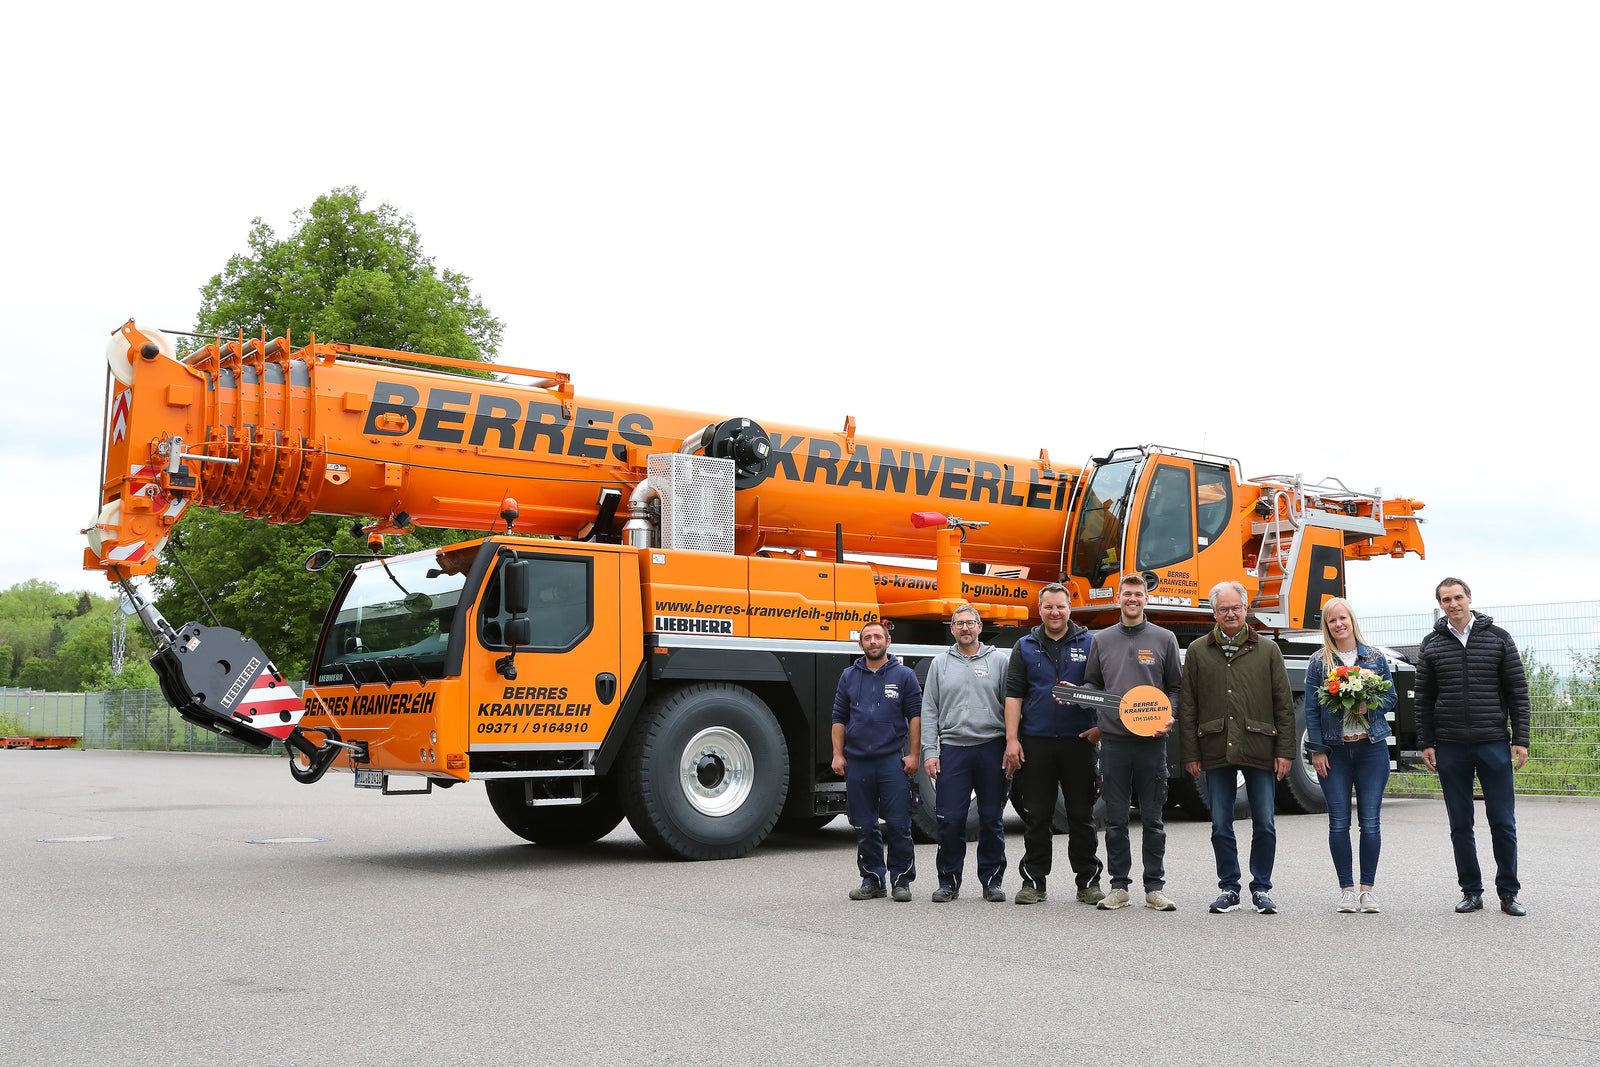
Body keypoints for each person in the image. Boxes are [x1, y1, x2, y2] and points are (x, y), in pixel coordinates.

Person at [1415, 578, 1531, 916]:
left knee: (1503, 822)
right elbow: (1423, 700)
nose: (1453, 604)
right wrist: (1426, 743)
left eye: (1458, 597)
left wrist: (1520, 739)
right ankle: (1471, 891)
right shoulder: (1432, 644)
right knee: (1460, 824)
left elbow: (1517, 692)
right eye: (1446, 600)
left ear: (1470, 598)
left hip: (1493, 742)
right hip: (1450, 746)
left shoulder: (1499, 638)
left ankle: (1509, 892)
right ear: (1440, 604)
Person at [1178, 580, 1294, 914]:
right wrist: (1190, 753)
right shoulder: (1199, 650)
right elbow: (1188, 706)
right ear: (1214, 612)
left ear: (1246, 609)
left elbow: (1283, 705)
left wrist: (1285, 751)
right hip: (1214, 747)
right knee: (1220, 823)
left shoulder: (1268, 650)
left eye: (1236, 608)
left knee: (1265, 822)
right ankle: (1229, 887)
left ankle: (1261, 888)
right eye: (1223, 609)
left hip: (1260, 746)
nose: (1230, 613)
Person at [1083, 573, 1182, 912]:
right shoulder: (1102, 640)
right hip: (1114, 743)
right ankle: (1119, 887)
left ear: (1146, 598)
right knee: (1115, 819)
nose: (1133, 599)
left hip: (1152, 743)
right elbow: (1092, 685)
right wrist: (1107, 706)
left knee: (1153, 819)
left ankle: (1154, 887)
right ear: (1119, 598)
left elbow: (1176, 689)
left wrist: (1170, 715)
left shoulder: (1164, 638)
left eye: (1138, 594)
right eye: (1127, 594)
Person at [1003, 582, 1103, 905]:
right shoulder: (1025, 645)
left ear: (1070, 607)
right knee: (1037, 815)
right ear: (1040, 609)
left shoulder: (1090, 643)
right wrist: (1012, 740)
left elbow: (1104, 689)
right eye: (1048, 607)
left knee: (1081, 815)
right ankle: (1033, 882)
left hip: (1079, 742)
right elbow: (1014, 695)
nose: (1055, 612)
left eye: (1060, 606)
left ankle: (1088, 882)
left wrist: (1099, 724)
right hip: (1037, 744)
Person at [1303, 597, 1396, 913]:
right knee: (1338, 823)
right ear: (1327, 627)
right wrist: (1316, 749)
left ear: (1352, 620)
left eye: (1342, 618)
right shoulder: (1319, 662)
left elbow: (1392, 696)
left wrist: (1369, 705)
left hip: (1371, 749)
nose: (1338, 624)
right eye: (1332, 621)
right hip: (1335, 753)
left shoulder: (1374, 657)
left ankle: (1367, 890)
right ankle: (1346, 890)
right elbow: (1311, 709)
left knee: (1370, 822)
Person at [922, 604, 1010, 903]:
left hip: (991, 748)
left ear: (980, 627)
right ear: (952, 629)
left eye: (970, 623)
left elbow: (1011, 708)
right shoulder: (939, 664)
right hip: (953, 751)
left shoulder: (999, 661)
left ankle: (992, 881)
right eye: (959, 624)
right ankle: (948, 881)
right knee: (950, 820)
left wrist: (1012, 744)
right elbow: (929, 709)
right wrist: (930, 751)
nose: (965, 628)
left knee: (991, 818)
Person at [831, 620, 922, 902]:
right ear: (860, 645)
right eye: (867, 638)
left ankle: (901, 881)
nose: (873, 641)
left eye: (877, 637)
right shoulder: (848, 676)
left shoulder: (904, 675)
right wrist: (837, 754)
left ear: (887, 642)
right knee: (864, 824)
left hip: (891, 762)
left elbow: (915, 716)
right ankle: (872, 879)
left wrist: (915, 754)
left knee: (898, 824)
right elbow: (838, 718)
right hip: (858, 763)